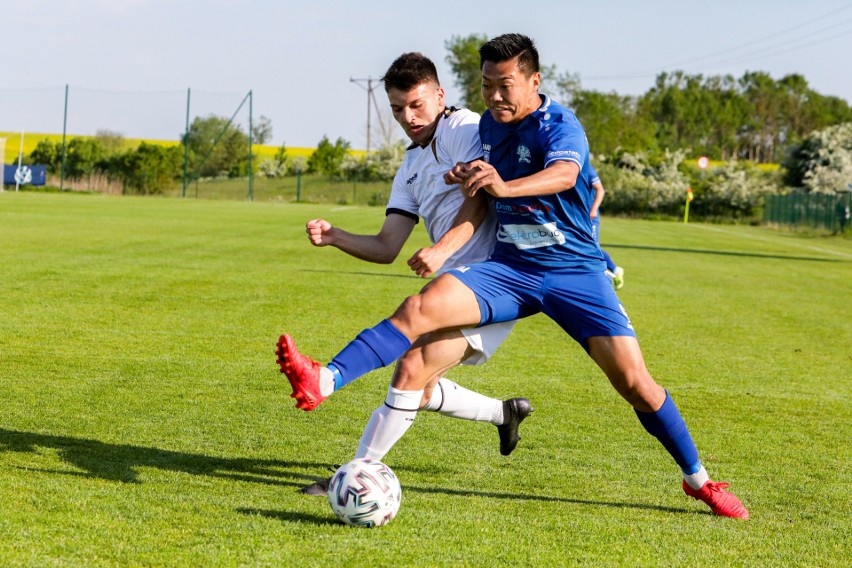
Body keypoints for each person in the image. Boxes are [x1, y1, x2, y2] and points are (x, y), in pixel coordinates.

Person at [279, 34, 748, 519]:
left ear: (533, 80)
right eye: (486, 85)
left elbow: (565, 174)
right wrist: (471, 184)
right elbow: (479, 197)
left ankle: (700, 482)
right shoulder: (485, 127)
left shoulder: (560, 122)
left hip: (574, 273)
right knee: (419, 309)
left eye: (505, 85)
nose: (495, 96)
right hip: (509, 269)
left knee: (635, 384)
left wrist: (506, 186)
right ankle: (327, 378)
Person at [278, 52, 533, 495]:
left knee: (410, 365)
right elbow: (386, 246)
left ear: (439, 95)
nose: (408, 117)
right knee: (420, 380)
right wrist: (336, 236)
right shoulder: (410, 167)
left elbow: (481, 192)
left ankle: (353, 471)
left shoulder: (463, 127)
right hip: (457, 284)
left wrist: (441, 249)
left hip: (495, 278)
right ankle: (503, 414)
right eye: (398, 109)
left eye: (416, 104)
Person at [588, 164, 624, 289]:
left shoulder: (587, 168)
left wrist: (594, 209)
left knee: (593, 248)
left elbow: (600, 189)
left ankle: (614, 270)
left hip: (591, 217)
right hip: (579, 217)